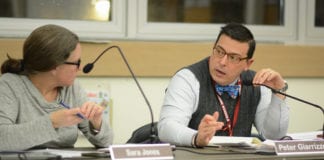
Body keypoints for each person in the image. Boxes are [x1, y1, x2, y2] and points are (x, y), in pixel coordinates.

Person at [158, 23, 289, 147]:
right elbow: (166, 127)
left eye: (233, 57)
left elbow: (274, 137)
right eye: (219, 52)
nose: (222, 62)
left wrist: (279, 92)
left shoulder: (257, 84)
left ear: (248, 64)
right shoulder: (188, 78)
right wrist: (197, 137)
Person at [0, 24, 113, 151]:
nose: (80, 68)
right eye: (77, 63)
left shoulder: (72, 89)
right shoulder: (9, 85)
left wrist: (96, 123)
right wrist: (52, 122)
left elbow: (107, 143)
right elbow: (2, 138)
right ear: (54, 65)